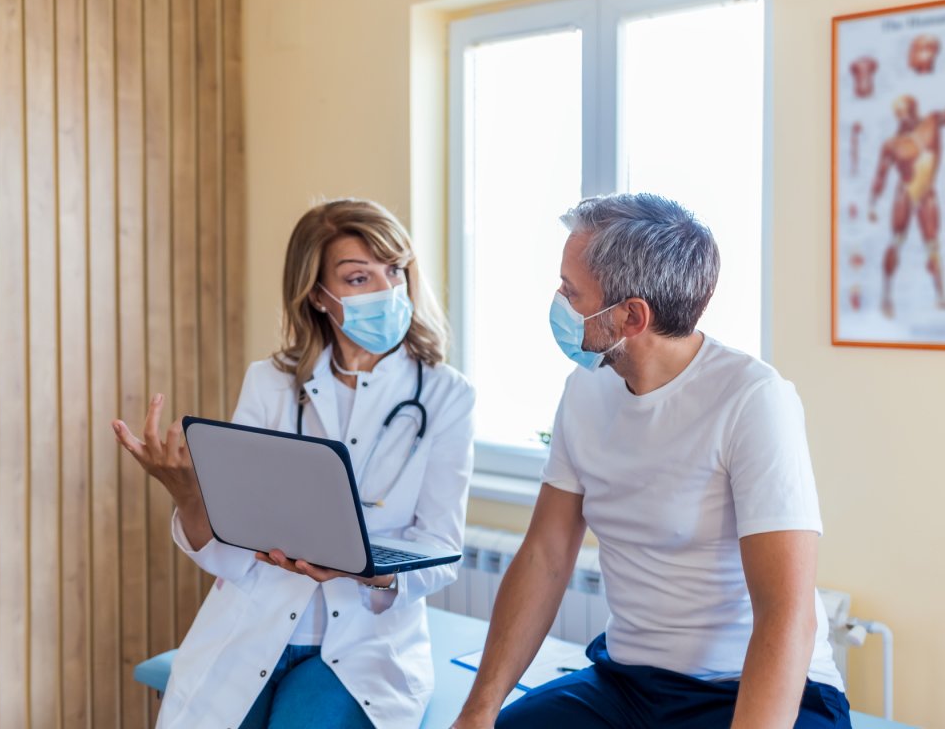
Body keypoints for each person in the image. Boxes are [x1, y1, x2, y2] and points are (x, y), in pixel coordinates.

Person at [452, 194, 849, 729]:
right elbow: (545, 556)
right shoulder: (585, 390)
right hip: (630, 685)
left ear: (632, 315)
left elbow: (786, 615)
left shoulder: (753, 399)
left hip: (751, 688)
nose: (558, 302)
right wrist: (477, 714)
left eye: (572, 293)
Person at [113, 198, 475, 729]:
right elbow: (231, 546)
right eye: (359, 278)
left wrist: (366, 570)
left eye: (394, 270)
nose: (387, 290)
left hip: (364, 646)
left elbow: (442, 550)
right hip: (254, 623)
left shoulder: (446, 395)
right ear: (317, 294)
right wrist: (188, 494)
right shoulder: (271, 382)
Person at [869, 88, 945, 318]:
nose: (903, 116)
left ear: (915, 109)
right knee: (895, 242)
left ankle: (941, 297)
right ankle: (886, 297)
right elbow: (880, 174)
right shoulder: (892, 143)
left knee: (933, 245)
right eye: (899, 113)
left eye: (907, 110)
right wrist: (873, 203)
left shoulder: (932, 122)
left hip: (927, 194)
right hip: (904, 193)